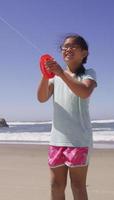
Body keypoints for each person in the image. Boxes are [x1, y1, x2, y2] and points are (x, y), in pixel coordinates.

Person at [37, 34, 97, 200]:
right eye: (65, 47)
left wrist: (61, 74)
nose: (67, 49)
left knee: (77, 187)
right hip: (56, 140)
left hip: (79, 140)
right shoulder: (55, 77)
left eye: (73, 46)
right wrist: (46, 74)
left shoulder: (88, 74)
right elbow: (41, 98)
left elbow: (84, 92)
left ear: (84, 53)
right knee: (56, 185)